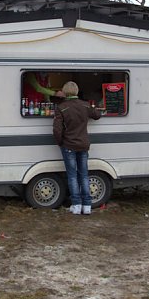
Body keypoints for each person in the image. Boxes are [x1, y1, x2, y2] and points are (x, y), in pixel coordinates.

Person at [52, 81, 101, 215]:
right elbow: (97, 115)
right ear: (77, 91)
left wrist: (60, 142)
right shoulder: (85, 105)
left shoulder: (61, 108)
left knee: (72, 176)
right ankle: (87, 206)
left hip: (68, 145)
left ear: (64, 92)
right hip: (83, 144)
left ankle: (76, 205)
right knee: (84, 175)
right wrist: (94, 106)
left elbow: (57, 130)